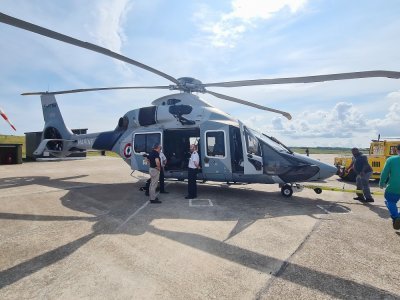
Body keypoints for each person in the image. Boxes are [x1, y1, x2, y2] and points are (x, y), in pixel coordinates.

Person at [379, 144, 400, 229]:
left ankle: (396, 217)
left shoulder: (391, 160)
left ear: (397, 150)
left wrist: (381, 183)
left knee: (390, 201)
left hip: (394, 186)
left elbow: (384, 173)